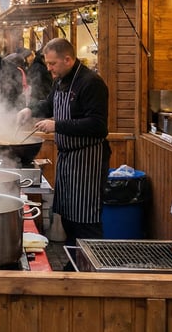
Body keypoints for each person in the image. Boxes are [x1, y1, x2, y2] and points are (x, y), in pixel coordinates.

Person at [17, 37, 109, 247]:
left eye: (52, 63)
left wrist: (57, 125)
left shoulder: (91, 83)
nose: (49, 68)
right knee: (68, 218)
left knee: (86, 221)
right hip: (67, 159)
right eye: (47, 63)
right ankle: (73, 259)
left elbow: (98, 125)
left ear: (68, 59)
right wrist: (30, 110)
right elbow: (50, 104)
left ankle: (89, 264)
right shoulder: (61, 80)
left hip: (87, 162)